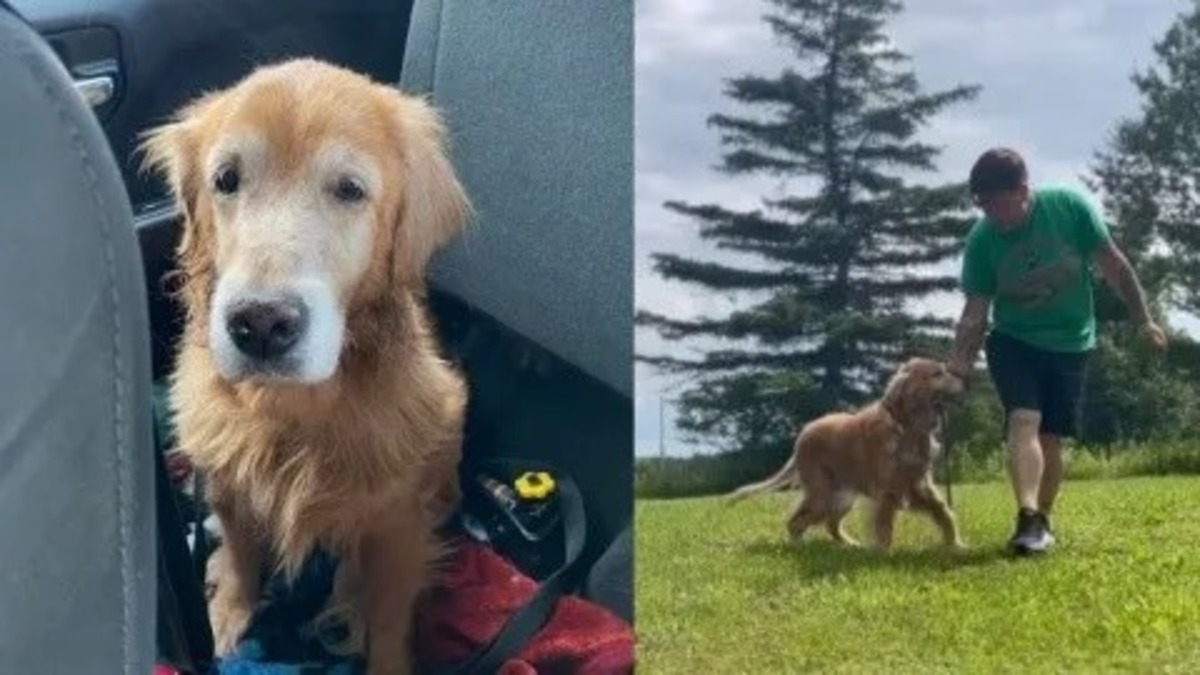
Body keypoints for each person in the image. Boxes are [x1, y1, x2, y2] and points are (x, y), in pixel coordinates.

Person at [946, 147, 1167, 556]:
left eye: (996, 201)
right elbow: (975, 313)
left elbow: (1116, 267)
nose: (990, 212)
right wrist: (958, 368)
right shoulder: (982, 241)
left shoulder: (1068, 209)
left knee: (1051, 437)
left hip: (1071, 341)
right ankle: (1026, 514)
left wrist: (1144, 320)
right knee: (1024, 418)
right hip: (1014, 340)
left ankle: (1042, 521)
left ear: (1023, 190)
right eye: (981, 203)